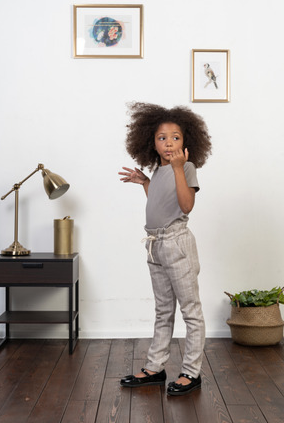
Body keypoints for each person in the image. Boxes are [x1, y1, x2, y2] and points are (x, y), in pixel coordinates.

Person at [118, 102, 212, 396]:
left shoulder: (186, 168)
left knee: (191, 311)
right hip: (155, 245)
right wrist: (145, 181)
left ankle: (191, 372)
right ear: (152, 143)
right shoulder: (159, 171)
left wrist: (178, 170)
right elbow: (160, 202)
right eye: (162, 138)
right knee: (163, 310)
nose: (169, 143)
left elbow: (185, 206)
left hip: (176, 243)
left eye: (175, 137)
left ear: (186, 142)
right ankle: (155, 368)